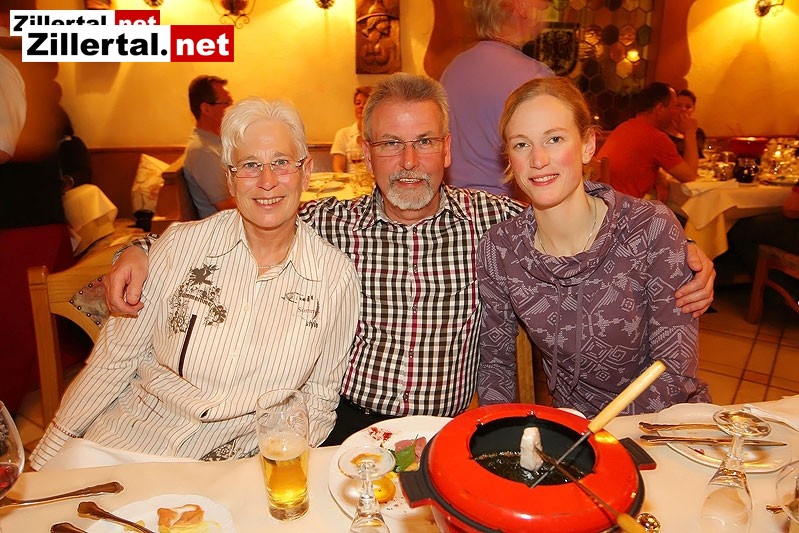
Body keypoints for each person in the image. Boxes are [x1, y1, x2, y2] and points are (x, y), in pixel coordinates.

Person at [105, 74, 716, 446]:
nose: (408, 162)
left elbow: (571, 210)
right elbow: (246, 214)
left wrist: (675, 248)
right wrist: (142, 246)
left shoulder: (496, 226)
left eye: (424, 142)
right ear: (366, 152)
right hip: (346, 423)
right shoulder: (329, 224)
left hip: (449, 423)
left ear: (447, 149)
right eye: (390, 144)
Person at [28, 98, 361, 470]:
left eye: (281, 162)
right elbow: (113, 361)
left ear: (305, 171)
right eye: (250, 165)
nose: (267, 182)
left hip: (234, 466)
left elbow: (318, 400)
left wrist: (273, 471)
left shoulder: (334, 278)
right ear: (229, 177)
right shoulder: (178, 247)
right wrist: (42, 464)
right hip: (129, 443)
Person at [477, 77, 711, 417]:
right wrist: (498, 433)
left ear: (587, 145)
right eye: (522, 144)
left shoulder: (650, 228)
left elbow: (675, 374)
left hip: (660, 423)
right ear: (509, 158)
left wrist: (595, 436)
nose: (538, 159)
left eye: (554, 139)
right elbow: (496, 361)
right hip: (572, 426)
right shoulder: (501, 248)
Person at [441, 0, 553, 198]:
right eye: (543, 6)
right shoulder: (535, 77)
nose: (545, 18)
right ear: (521, 6)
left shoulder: (452, 68)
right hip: (509, 208)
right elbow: (549, 163)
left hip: (454, 204)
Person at [598, 82, 699, 199]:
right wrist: (690, 133)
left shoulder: (625, 127)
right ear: (659, 108)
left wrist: (659, 177)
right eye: (675, 107)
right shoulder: (657, 138)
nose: (677, 112)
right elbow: (690, 177)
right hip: (621, 206)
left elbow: (635, 163)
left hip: (600, 200)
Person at [183, 75, 237, 218]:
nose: (232, 109)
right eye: (226, 103)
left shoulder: (217, 142)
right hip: (226, 228)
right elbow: (227, 207)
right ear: (206, 109)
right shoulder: (203, 151)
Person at [330, 86, 372, 173]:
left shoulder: (381, 135)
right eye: (358, 103)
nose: (361, 106)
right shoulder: (342, 134)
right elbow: (338, 169)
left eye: (366, 103)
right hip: (351, 181)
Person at [662, 89, 706, 158]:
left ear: (693, 109)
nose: (683, 109)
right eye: (678, 105)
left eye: (688, 107)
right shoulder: (662, 134)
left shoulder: (698, 133)